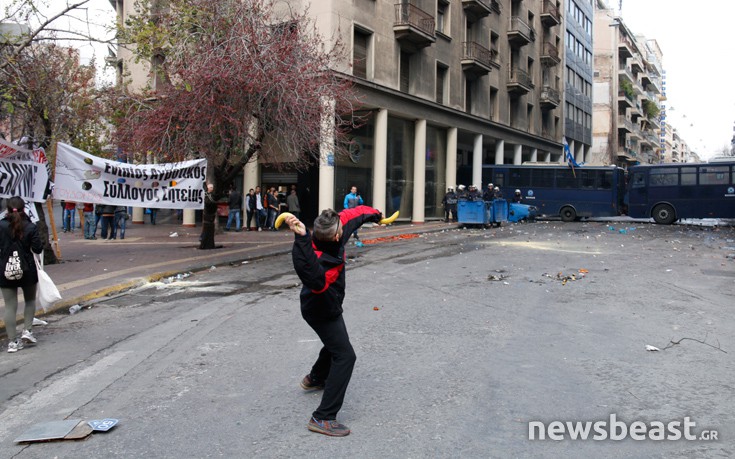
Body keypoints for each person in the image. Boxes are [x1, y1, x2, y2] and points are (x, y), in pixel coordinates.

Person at [284, 204, 384, 437]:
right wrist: (301, 240)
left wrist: (376, 214)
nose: (344, 228)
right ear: (337, 235)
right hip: (320, 310)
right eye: (342, 229)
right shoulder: (318, 260)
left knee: (336, 344)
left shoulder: (336, 231)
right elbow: (312, 275)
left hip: (328, 305)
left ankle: (315, 378)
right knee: (345, 355)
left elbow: (353, 215)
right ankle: (323, 417)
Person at [1, 196, 44, 353]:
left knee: (10, 306)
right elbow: (38, 249)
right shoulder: (30, 227)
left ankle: (13, 342)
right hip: (27, 269)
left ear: (7, 209)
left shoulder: (1, 226)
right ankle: (27, 330)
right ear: (23, 208)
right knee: (30, 301)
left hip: (5, 269)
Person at [200, 183, 217, 249]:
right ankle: (202, 240)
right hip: (207, 214)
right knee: (206, 229)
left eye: (212, 187)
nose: (212, 189)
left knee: (208, 230)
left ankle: (204, 240)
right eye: (211, 187)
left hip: (211, 215)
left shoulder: (212, 195)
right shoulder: (206, 195)